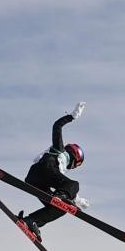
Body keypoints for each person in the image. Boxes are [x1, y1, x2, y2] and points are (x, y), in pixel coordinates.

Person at [18, 101, 89, 241]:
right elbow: (57, 126)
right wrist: (72, 116)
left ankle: (31, 221)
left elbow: (62, 184)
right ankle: (61, 195)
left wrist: (76, 201)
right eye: (76, 165)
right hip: (44, 169)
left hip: (34, 181)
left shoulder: (61, 171)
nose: (73, 168)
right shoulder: (59, 150)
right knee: (74, 184)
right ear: (74, 157)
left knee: (61, 208)